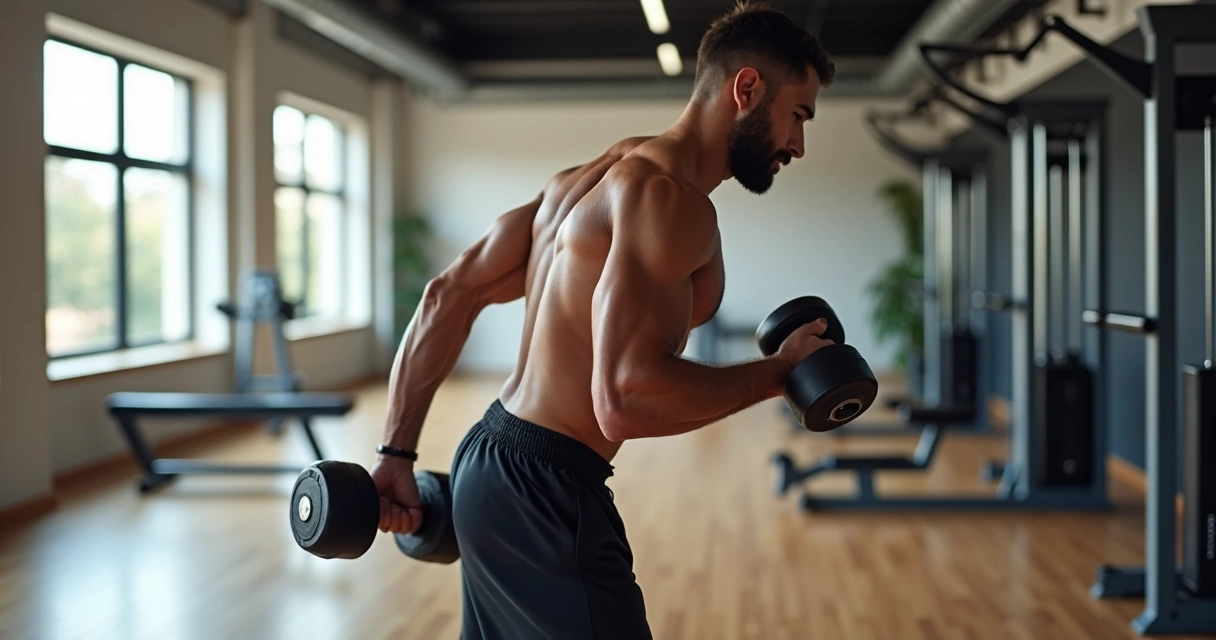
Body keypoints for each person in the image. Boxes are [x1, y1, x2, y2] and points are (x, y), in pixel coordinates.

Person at [369, 2, 836, 638]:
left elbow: (446, 295)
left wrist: (395, 454)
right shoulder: (667, 200)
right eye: (798, 115)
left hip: (487, 461)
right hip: (548, 490)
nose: (799, 145)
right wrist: (778, 374)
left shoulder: (584, 182)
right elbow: (622, 399)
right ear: (746, 89)